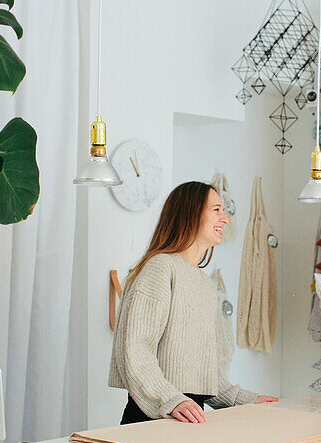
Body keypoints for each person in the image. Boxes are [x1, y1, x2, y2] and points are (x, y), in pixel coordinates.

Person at [110, 181, 276, 424]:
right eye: (217, 210)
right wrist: (171, 400)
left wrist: (246, 400)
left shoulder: (205, 284)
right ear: (190, 212)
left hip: (188, 416)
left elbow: (202, 369)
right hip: (153, 417)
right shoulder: (159, 268)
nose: (225, 219)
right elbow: (135, 349)